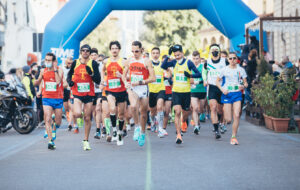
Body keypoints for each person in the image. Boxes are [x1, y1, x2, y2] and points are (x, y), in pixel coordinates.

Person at [161, 44, 201, 144]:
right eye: (175, 55)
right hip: (176, 91)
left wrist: (190, 75)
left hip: (186, 92)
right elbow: (163, 66)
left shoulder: (189, 62)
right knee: (177, 112)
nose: (177, 57)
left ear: (182, 53)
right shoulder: (174, 62)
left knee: (186, 112)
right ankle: (178, 135)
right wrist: (168, 56)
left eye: (178, 55)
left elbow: (198, 74)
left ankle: (184, 122)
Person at [67, 44, 101, 151]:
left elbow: (98, 80)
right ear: (80, 52)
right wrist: (70, 82)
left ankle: (86, 140)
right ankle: (79, 118)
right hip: (77, 92)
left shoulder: (93, 63)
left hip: (89, 93)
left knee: (87, 117)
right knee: (77, 113)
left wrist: (91, 73)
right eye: (83, 50)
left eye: (87, 51)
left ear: (90, 53)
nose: (85, 52)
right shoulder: (75, 63)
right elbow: (69, 75)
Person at [122, 41, 155, 146]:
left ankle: (142, 132)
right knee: (133, 107)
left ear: (141, 50)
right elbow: (123, 75)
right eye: (133, 51)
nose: (134, 53)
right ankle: (136, 127)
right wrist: (126, 83)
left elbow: (153, 78)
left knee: (144, 113)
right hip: (133, 88)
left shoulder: (146, 61)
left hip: (143, 88)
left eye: (136, 51)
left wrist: (140, 82)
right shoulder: (129, 61)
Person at [216, 52, 248, 145]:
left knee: (237, 115)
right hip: (227, 94)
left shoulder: (241, 70)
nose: (232, 60)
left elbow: (246, 83)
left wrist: (243, 86)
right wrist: (222, 89)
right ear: (228, 60)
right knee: (229, 119)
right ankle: (224, 118)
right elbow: (217, 81)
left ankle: (233, 137)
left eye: (234, 58)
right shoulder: (224, 70)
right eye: (230, 58)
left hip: (237, 94)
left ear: (237, 59)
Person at [34, 53, 64, 150]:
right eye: (46, 60)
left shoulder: (59, 70)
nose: (47, 62)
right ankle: (50, 141)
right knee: (47, 118)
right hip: (46, 98)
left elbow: (58, 81)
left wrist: (55, 70)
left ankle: (55, 127)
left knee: (58, 122)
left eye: (49, 60)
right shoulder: (43, 71)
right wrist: (36, 86)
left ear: (54, 61)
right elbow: (40, 81)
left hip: (58, 98)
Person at [102, 41, 127, 146]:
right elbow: (103, 71)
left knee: (121, 115)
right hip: (110, 89)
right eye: (112, 48)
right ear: (110, 50)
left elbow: (126, 76)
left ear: (119, 50)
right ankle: (114, 130)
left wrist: (121, 75)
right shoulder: (106, 61)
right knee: (112, 109)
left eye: (116, 48)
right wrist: (104, 80)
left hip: (121, 90)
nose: (114, 50)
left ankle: (120, 133)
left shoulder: (124, 62)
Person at [202, 44, 226, 139]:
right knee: (213, 108)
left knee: (220, 110)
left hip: (222, 87)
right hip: (211, 87)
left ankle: (220, 122)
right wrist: (204, 80)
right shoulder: (207, 62)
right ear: (210, 51)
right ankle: (216, 130)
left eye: (217, 49)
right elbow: (204, 72)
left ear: (219, 51)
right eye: (213, 50)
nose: (215, 51)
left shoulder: (225, 61)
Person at [148, 47, 168, 137]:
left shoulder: (163, 64)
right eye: (153, 53)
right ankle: (152, 121)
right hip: (151, 90)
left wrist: (168, 76)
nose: (155, 54)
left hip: (161, 89)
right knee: (152, 111)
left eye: (157, 53)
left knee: (160, 107)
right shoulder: (148, 64)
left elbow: (169, 73)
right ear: (151, 54)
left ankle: (160, 128)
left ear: (159, 54)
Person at [190, 51, 206, 135]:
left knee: (200, 109)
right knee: (195, 108)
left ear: (200, 58)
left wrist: (199, 81)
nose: (195, 60)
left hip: (202, 90)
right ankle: (196, 126)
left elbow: (205, 77)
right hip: (193, 91)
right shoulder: (190, 67)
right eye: (194, 59)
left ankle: (198, 122)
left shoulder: (203, 67)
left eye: (197, 58)